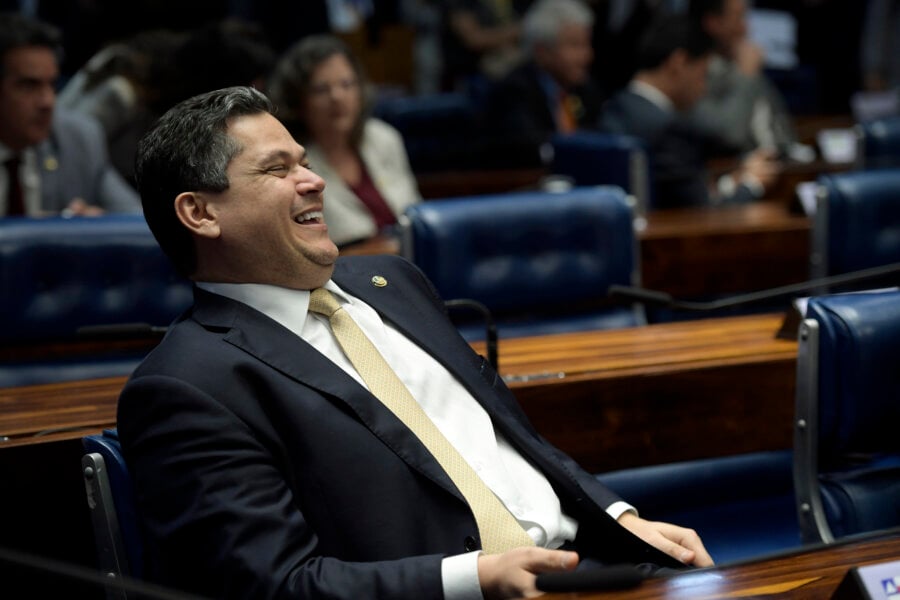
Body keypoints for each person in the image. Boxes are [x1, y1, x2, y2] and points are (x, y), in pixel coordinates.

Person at [120, 85, 713, 599]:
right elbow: (275, 586)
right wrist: (472, 579)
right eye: (278, 170)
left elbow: (508, 440)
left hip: (589, 566)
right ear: (199, 213)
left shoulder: (393, 282)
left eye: (303, 162)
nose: (315, 180)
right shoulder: (186, 385)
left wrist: (617, 514)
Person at [599, 14, 781, 208]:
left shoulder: (616, 107)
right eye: (703, 74)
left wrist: (731, 183)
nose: (703, 88)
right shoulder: (669, 131)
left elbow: (677, 195)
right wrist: (752, 184)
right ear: (678, 63)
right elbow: (703, 213)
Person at [266, 34, 421, 247]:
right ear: (297, 100)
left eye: (347, 84)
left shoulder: (383, 138)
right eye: (321, 89)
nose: (337, 97)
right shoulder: (290, 162)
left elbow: (417, 215)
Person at [0, 12, 140, 217]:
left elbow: (137, 222)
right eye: (29, 86)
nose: (47, 102)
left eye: (52, 85)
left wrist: (97, 227)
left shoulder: (78, 139)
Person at [485, 0, 605, 167]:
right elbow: (528, 150)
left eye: (586, 44)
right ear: (542, 52)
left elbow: (600, 138)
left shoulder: (585, 89)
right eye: (575, 46)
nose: (586, 56)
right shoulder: (514, 91)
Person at [687, 0, 801, 159]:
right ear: (713, 22)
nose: (746, 28)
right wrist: (746, 76)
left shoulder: (741, 61)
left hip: (784, 165)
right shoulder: (694, 74)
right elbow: (730, 135)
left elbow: (782, 132)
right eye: (738, 17)